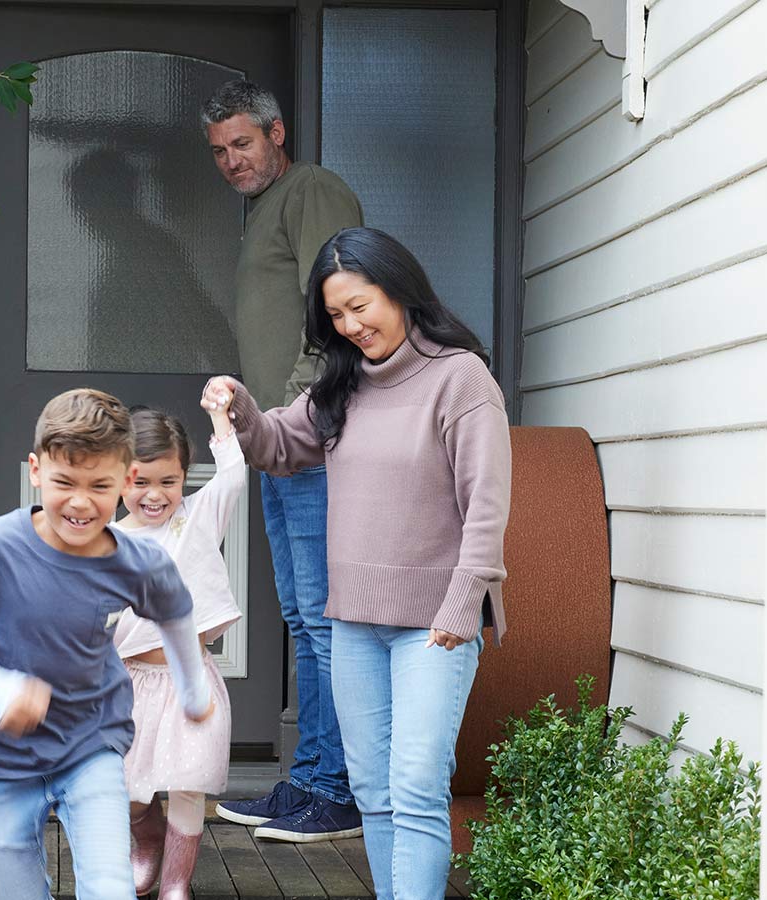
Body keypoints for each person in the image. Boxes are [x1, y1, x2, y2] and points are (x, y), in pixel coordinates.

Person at [202, 227, 511, 898]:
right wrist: (242, 407)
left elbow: (486, 506)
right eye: (336, 315)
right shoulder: (343, 382)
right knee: (373, 789)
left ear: (401, 290)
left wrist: (466, 604)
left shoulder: (460, 379)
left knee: (417, 784)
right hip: (353, 625)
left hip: (435, 623)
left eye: (361, 306)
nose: (351, 325)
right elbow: (280, 447)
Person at [0, 388, 215, 899]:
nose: (80, 502)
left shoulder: (134, 560)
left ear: (125, 481)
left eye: (99, 485)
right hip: (1, 757)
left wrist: (192, 691)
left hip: (91, 745)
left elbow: (177, 615)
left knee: (109, 887)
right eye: (64, 483)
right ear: (36, 470)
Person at [202, 78, 366, 843]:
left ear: (277, 132)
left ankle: (334, 791)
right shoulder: (261, 208)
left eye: (243, 142)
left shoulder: (311, 189)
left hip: (312, 439)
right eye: (220, 151)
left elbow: (340, 303)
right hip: (276, 444)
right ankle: (309, 781)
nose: (232, 160)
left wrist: (297, 410)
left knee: (325, 622)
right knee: (305, 619)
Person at [112, 404, 246, 898]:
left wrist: (220, 419)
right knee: (129, 786)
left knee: (187, 784)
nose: (154, 494)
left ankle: (175, 883)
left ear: (185, 477)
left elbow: (233, 475)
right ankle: (145, 838)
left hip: (190, 681)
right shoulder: (109, 540)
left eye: (168, 481)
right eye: (140, 481)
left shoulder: (195, 520)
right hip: (130, 686)